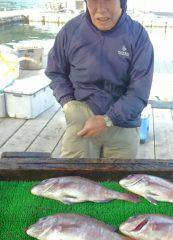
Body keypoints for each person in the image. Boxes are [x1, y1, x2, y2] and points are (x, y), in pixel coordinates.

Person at [45, 0, 154, 159]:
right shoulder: (71, 30)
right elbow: (55, 72)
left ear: (121, 3)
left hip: (122, 123)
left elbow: (139, 92)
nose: (101, 9)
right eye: (94, 1)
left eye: (108, 1)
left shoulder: (138, 36)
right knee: (73, 178)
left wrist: (108, 119)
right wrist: (68, 103)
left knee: (119, 181)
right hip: (81, 119)